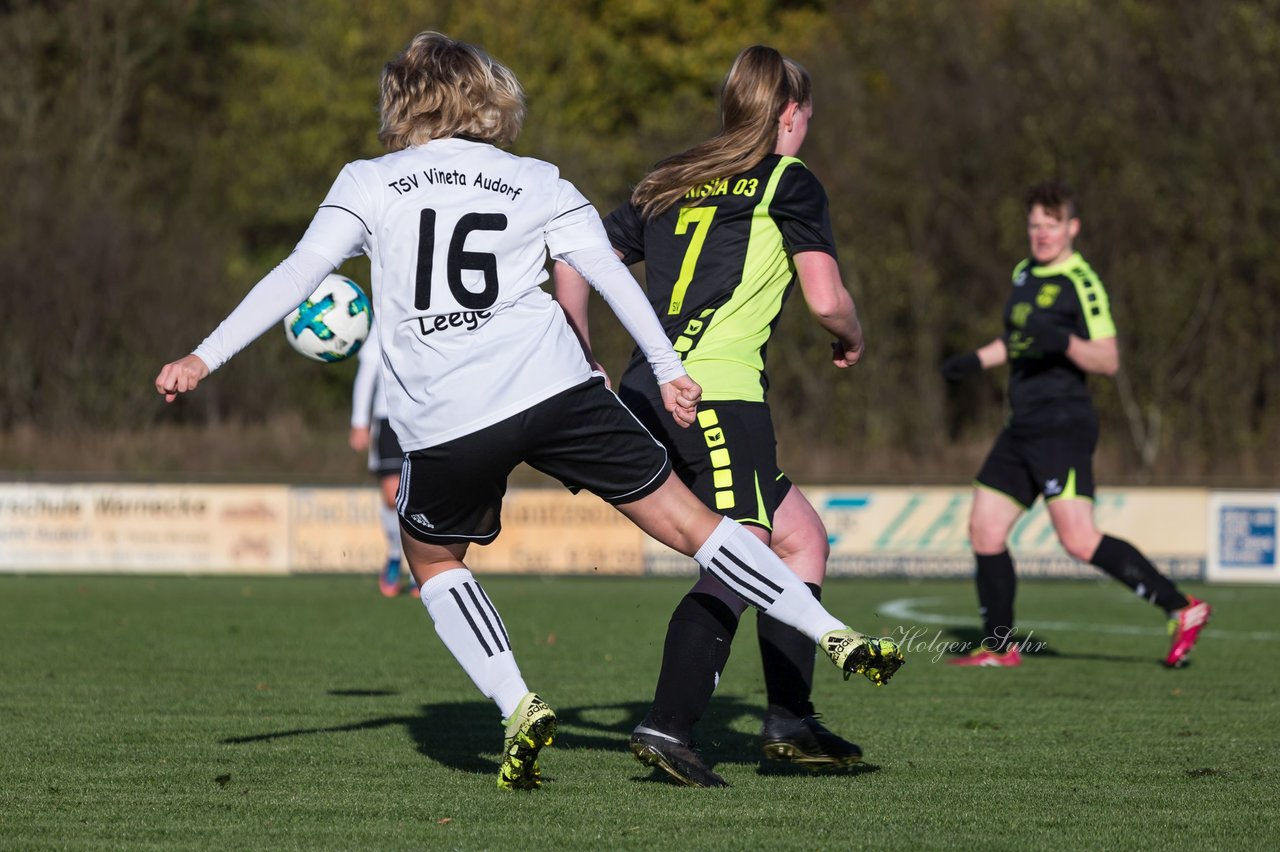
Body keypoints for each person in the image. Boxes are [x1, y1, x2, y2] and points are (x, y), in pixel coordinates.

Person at [155, 31, 902, 792]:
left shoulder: (368, 181)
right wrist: (671, 370)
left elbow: (297, 275)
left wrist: (201, 357)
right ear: (487, 94)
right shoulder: (537, 179)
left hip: (449, 415)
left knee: (436, 561)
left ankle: (517, 703)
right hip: (555, 388)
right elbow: (607, 276)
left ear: (400, 101)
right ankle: (830, 632)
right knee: (693, 524)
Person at [554, 45, 869, 787]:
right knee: (745, 548)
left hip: (646, 389)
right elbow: (826, 299)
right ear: (790, 114)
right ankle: (668, 725)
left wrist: (580, 346)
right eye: (807, 115)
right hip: (715, 397)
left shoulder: (673, 180)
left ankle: (791, 720)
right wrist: (852, 334)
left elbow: (570, 256)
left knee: (800, 538)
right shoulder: (789, 181)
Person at [941, 180, 1210, 669]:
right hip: (1021, 424)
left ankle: (1182, 608)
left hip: (1061, 423)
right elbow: (1019, 341)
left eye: (1052, 225)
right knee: (985, 528)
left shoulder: (1081, 282)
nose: (1042, 234)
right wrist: (972, 362)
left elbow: (1107, 360)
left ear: (1072, 227)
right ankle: (999, 648)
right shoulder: (1024, 273)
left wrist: (1063, 341)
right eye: (1034, 225)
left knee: (1079, 539)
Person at [348, 319, 414, 598]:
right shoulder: (384, 315)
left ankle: (419, 568)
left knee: (420, 495)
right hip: (387, 417)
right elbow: (367, 371)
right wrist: (359, 421)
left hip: (425, 416)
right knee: (392, 496)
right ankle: (395, 556)